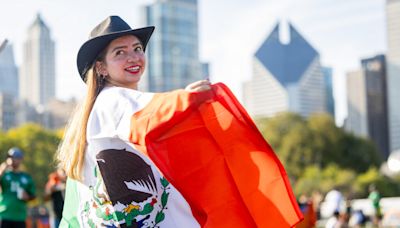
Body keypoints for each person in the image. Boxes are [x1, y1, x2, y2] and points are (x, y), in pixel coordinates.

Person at [57, 15, 302, 227]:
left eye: (137, 49)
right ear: (101, 68)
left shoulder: (98, 108)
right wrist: (187, 99)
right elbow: (150, 115)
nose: (133, 57)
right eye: (120, 52)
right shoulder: (114, 99)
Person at [0, 147, 36, 228]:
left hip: (20, 216)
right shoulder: (4, 174)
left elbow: (33, 195)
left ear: (21, 159)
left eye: (15, 157)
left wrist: (27, 197)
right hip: (4, 214)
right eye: (10, 157)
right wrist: (1, 170)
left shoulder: (26, 177)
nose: (12, 159)